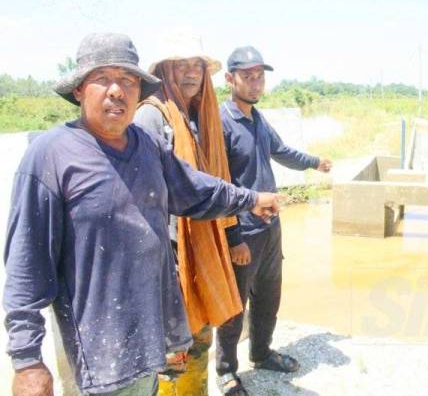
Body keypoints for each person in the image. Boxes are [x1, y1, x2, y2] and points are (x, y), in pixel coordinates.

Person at [3, 33, 281, 396]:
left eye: (128, 80)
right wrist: (27, 362)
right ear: (78, 90)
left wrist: (250, 198)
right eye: (103, 78)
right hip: (102, 355)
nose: (117, 90)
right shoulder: (51, 156)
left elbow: (196, 190)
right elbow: (27, 266)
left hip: (154, 340)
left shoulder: (147, 145)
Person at [134, 34, 248, 395]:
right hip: (171, 259)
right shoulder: (151, 116)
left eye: (196, 65)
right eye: (180, 65)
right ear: (164, 70)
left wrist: (231, 235)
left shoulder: (196, 117)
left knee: (199, 339)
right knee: (174, 352)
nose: (191, 73)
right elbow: (143, 198)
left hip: (199, 249)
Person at [215, 46, 332, 395]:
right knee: (235, 306)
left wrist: (314, 162)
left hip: (270, 228)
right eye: (247, 76)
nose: (255, 83)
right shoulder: (221, 122)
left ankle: (262, 353)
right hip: (243, 232)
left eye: (259, 76)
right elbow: (219, 185)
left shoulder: (257, 119)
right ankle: (226, 370)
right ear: (229, 79)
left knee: (269, 296)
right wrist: (233, 237)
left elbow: (281, 152)